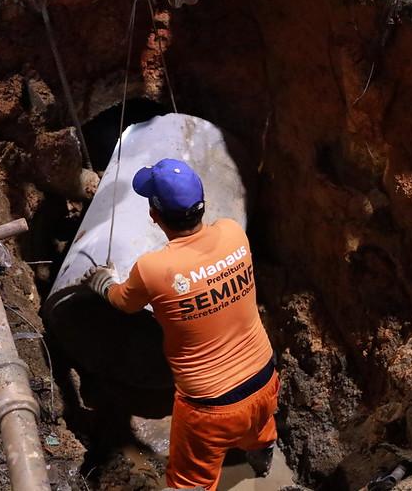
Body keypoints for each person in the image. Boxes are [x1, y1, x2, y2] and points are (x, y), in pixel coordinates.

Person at [82, 158, 278, 491]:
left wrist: (102, 281)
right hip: (264, 379)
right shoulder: (233, 232)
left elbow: (122, 302)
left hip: (210, 406)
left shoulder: (152, 269)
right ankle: (262, 464)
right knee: (258, 429)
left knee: (190, 482)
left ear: (154, 214)